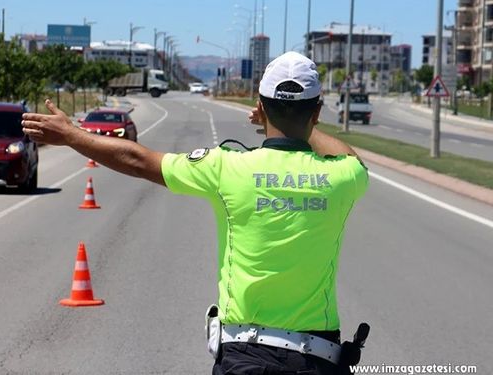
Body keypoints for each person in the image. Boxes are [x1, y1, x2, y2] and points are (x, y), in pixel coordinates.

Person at [21, 51, 368, 375]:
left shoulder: (226, 168)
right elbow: (350, 157)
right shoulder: (342, 176)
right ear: (317, 112)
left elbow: (139, 160)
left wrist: (72, 135)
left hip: (245, 357)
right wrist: (303, 125)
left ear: (259, 106)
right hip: (318, 359)